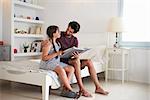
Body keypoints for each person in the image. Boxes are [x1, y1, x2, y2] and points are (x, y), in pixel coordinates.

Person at [57, 21, 109, 97]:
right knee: (76, 62)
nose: (68, 32)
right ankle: (81, 89)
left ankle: (98, 87)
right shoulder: (59, 35)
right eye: (68, 29)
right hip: (62, 59)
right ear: (68, 26)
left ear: (74, 33)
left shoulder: (75, 40)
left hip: (71, 59)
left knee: (88, 61)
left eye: (71, 32)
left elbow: (75, 51)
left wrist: (77, 55)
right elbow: (54, 47)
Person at [40, 25, 80, 99]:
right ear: (54, 34)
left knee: (71, 69)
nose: (60, 33)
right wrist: (56, 53)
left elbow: (58, 53)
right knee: (61, 70)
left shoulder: (57, 43)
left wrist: (65, 53)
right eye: (58, 31)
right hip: (47, 63)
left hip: (55, 62)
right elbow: (44, 58)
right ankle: (70, 90)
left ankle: (65, 88)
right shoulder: (48, 44)